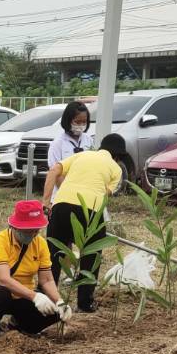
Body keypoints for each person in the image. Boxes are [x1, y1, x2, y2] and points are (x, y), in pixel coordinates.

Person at [40, 133, 126, 311]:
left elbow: (54, 170)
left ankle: (46, 298)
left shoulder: (82, 155)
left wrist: (46, 203)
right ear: (118, 156)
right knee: (91, 256)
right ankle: (85, 303)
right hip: (89, 211)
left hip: (61, 206)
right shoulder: (116, 169)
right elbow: (105, 194)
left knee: (54, 253)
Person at [0, 200, 69, 342]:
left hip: (24, 296)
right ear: (14, 226)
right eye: (28, 230)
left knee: (54, 311)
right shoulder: (0, 241)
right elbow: (3, 279)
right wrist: (35, 297)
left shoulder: (40, 244)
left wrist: (59, 302)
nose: (32, 234)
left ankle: (21, 325)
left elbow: (46, 280)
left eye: (36, 230)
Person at [46, 100, 94, 170]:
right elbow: (54, 170)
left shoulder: (89, 140)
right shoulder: (58, 143)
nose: (81, 125)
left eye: (84, 122)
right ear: (68, 121)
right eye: (77, 122)